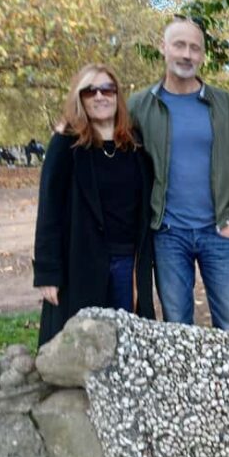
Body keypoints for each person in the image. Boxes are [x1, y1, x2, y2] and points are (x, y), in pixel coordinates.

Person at [128, 16, 229, 329]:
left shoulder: (226, 106)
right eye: (179, 45)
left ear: (201, 55)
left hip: (218, 232)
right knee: (177, 326)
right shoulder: (139, 107)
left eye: (195, 48)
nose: (187, 54)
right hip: (168, 234)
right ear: (163, 48)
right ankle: (187, 380)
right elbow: (112, 150)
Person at [33, 63, 155, 346]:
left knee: (124, 342)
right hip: (82, 260)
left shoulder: (135, 144)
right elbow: (48, 211)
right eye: (90, 91)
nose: (100, 96)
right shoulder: (66, 145)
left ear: (117, 95)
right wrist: (47, 273)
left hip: (127, 263)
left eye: (107, 89)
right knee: (82, 343)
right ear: (80, 99)